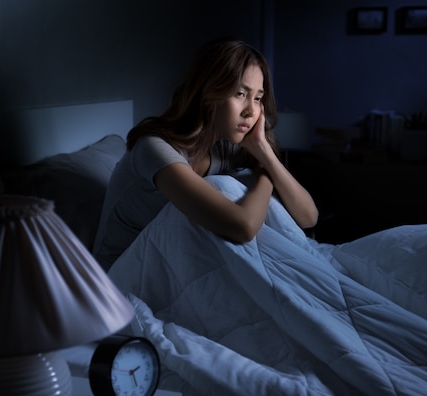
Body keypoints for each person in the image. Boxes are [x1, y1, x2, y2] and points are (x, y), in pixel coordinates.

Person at [93, 37, 318, 271]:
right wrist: (266, 173)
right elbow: (243, 227)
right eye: (240, 94)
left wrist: (266, 156)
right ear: (209, 92)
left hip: (173, 264)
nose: (251, 111)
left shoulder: (226, 146)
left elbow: (308, 217)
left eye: (258, 98)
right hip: (122, 273)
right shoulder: (155, 148)